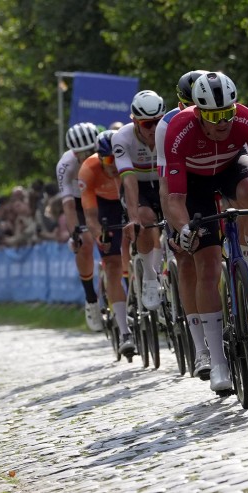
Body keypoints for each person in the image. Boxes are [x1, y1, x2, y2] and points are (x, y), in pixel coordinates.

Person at [162, 71, 248, 392]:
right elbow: (173, 197)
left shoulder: (246, 120)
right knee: (206, 268)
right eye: (214, 116)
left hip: (232, 166)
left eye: (227, 114)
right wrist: (184, 228)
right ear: (198, 113)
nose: (222, 123)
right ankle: (217, 361)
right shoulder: (177, 130)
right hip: (195, 183)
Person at [156, 70, 212, 368]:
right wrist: (177, 225)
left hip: (215, 177)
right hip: (182, 187)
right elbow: (166, 187)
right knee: (187, 258)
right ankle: (200, 347)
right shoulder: (168, 126)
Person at [79, 130, 135, 356]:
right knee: (111, 263)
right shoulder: (89, 170)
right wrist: (98, 233)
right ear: (100, 158)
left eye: (117, 158)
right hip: (103, 206)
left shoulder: (130, 161)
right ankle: (125, 332)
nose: (114, 164)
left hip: (128, 195)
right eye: (108, 160)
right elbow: (90, 217)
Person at [112, 90, 166, 313]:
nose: (154, 129)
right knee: (145, 219)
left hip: (164, 181)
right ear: (134, 121)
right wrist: (134, 218)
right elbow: (129, 180)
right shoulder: (122, 138)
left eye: (157, 122)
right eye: (147, 124)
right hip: (139, 187)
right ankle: (151, 278)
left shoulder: (169, 131)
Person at [57, 122, 102, 331]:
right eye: (82, 154)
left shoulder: (107, 149)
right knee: (85, 242)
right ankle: (91, 298)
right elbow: (68, 205)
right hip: (79, 203)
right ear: (74, 153)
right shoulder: (65, 164)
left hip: (103, 195)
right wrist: (75, 233)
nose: (87, 157)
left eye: (91, 152)